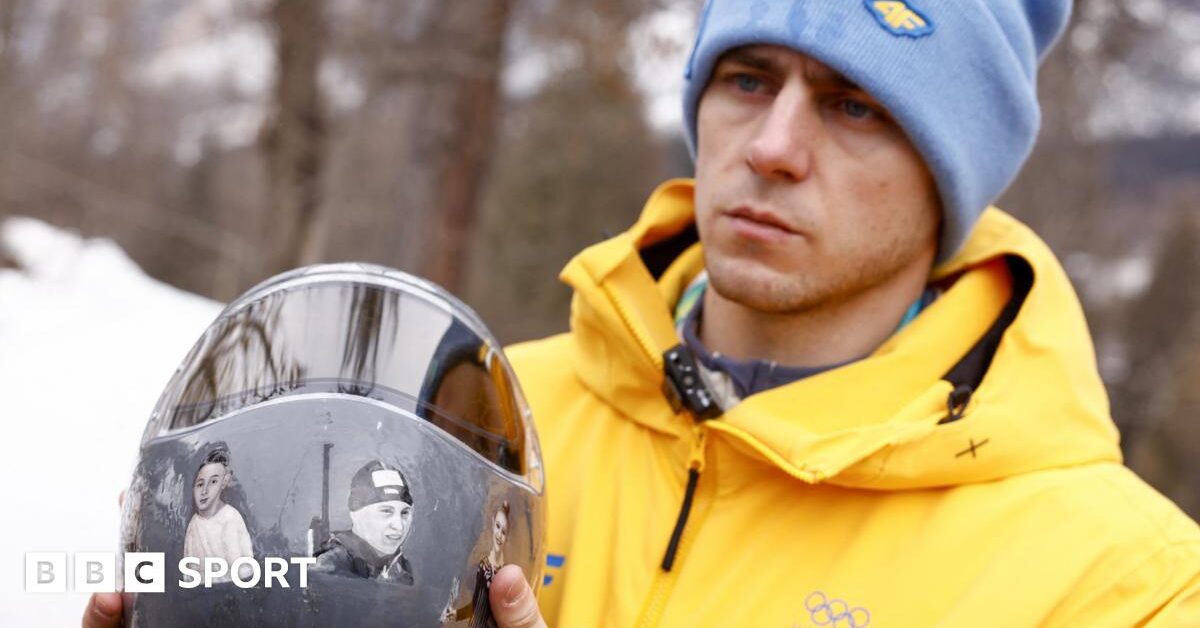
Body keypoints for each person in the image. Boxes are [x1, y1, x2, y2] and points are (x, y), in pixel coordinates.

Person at [86, 1, 1200, 626]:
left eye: (857, 106)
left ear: (957, 176)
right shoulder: (484, 416)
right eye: (748, 79)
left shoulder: (1123, 582)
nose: (773, 146)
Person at [313, 460, 416, 585]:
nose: (399, 526)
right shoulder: (330, 568)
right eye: (386, 511)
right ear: (356, 514)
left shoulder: (402, 568)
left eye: (404, 513)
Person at [183, 447, 254, 583]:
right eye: (200, 484)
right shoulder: (194, 523)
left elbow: (243, 572)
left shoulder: (230, 518)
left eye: (213, 482)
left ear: (224, 482)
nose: (204, 491)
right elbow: (189, 572)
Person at [441, 502, 511, 628]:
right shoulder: (483, 566)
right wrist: (457, 614)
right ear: (492, 523)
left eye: (504, 532)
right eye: (498, 526)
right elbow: (477, 605)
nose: (499, 535)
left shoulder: (506, 572)